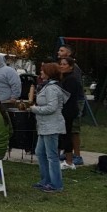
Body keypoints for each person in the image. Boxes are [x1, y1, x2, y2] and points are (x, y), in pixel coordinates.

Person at [30, 62, 68, 193]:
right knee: (40, 152)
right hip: (45, 125)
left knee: (52, 156)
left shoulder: (52, 88)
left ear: (49, 73)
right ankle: (45, 180)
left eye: (43, 71)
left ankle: (56, 184)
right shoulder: (48, 87)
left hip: (51, 126)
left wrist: (35, 109)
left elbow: (52, 107)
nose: (41, 73)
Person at [58, 45, 85, 164]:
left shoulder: (75, 70)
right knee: (66, 129)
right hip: (67, 100)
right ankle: (66, 152)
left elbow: (75, 87)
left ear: (68, 54)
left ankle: (77, 156)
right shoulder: (63, 71)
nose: (59, 52)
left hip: (75, 100)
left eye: (62, 50)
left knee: (73, 129)